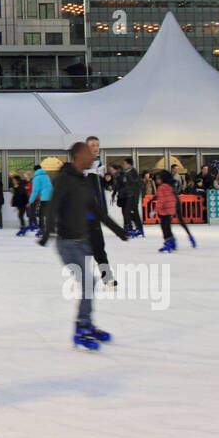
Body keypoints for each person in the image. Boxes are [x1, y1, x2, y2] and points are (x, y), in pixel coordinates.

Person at [37, 142, 129, 350]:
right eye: (89, 153)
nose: (92, 157)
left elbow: (98, 212)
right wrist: (47, 233)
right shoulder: (64, 179)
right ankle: (82, 327)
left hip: (83, 241)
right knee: (90, 283)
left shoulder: (83, 182)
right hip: (67, 243)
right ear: (78, 156)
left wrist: (118, 230)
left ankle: (86, 323)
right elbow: (53, 207)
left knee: (90, 284)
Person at [82, 136, 117, 286]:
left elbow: (99, 191)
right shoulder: (82, 166)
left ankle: (106, 277)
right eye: (92, 145)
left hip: (96, 215)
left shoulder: (99, 166)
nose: (95, 147)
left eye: (97, 145)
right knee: (83, 248)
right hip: (83, 214)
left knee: (98, 247)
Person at [154, 170, 195, 251]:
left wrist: (156, 208)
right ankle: (188, 237)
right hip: (175, 201)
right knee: (178, 221)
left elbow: (162, 198)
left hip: (170, 204)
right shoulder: (170, 185)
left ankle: (170, 241)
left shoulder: (163, 186)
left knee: (166, 225)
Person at [113, 158, 145, 239]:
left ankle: (131, 228)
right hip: (130, 194)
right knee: (134, 212)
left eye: (125, 163)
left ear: (128, 164)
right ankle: (139, 229)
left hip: (132, 195)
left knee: (127, 211)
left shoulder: (132, 172)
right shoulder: (128, 172)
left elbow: (135, 184)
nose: (124, 165)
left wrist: (133, 195)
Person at [22, 164, 53, 237]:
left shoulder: (36, 178)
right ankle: (51, 228)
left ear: (35, 171)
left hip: (44, 198)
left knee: (41, 214)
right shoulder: (46, 176)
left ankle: (42, 229)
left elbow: (35, 191)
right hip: (51, 196)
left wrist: (30, 201)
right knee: (48, 213)